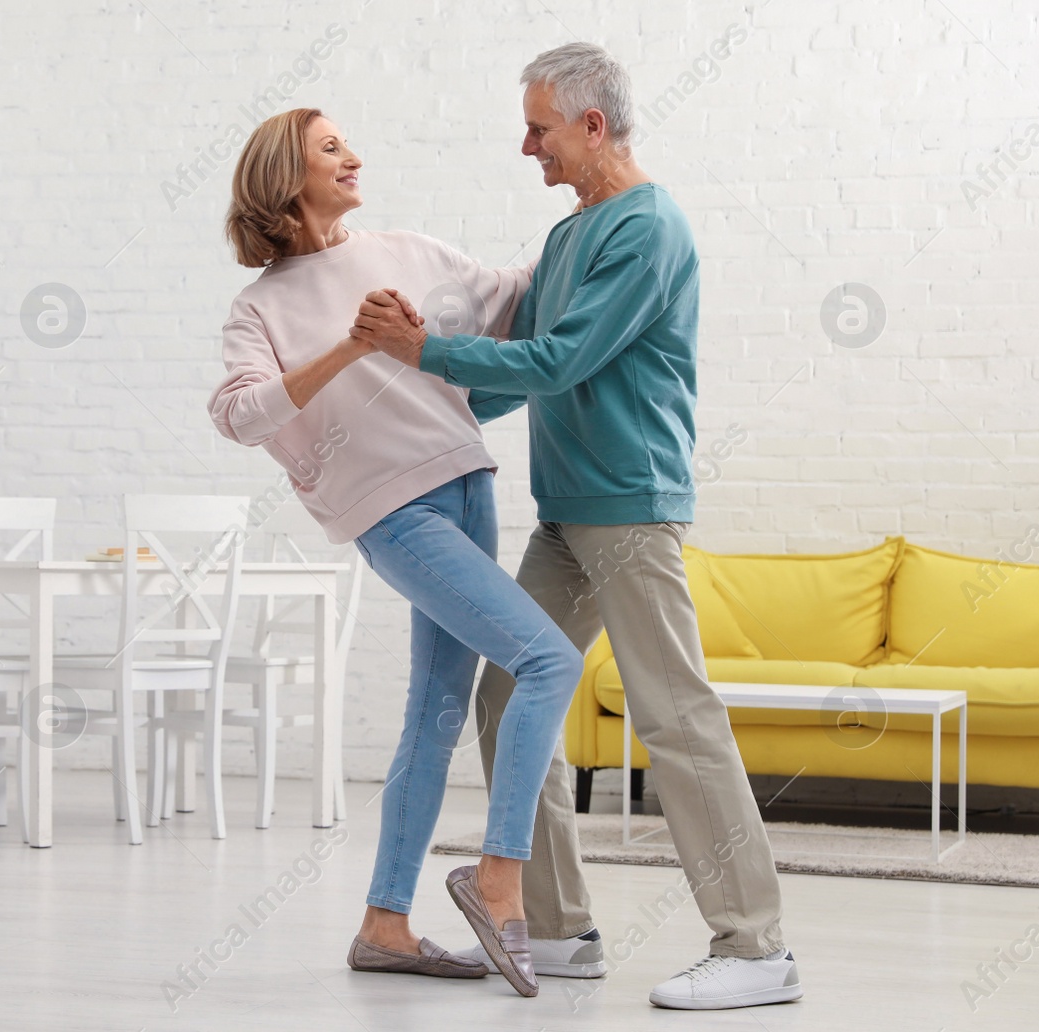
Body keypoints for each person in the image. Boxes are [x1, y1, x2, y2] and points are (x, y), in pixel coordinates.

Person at [348, 43, 803, 1011]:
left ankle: (755, 944)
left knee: (675, 716)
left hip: (631, 509)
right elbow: (520, 372)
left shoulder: (648, 229)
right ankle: (558, 930)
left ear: (592, 126)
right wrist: (419, 397)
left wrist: (425, 347)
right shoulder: (566, 238)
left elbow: (558, 359)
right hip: (568, 515)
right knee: (507, 695)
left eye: (540, 128)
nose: (527, 147)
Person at [208, 107, 581, 998]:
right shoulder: (260, 306)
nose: (354, 155)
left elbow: (512, 293)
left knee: (437, 708)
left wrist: (593, 217)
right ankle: (499, 881)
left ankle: (385, 923)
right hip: (393, 512)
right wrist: (351, 345)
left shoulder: (407, 249)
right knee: (545, 659)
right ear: (283, 175)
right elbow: (237, 414)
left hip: (468, 484)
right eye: (331, 146)